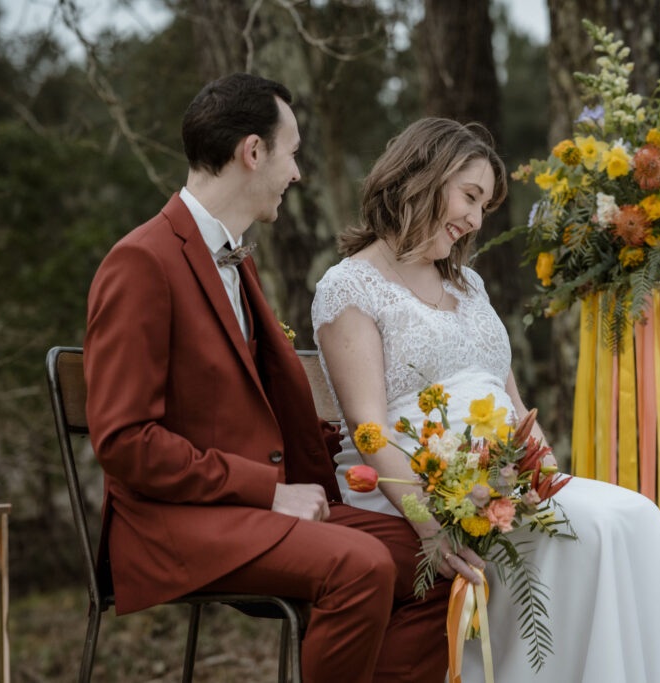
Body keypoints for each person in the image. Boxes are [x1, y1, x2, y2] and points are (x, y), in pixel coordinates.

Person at [84, 74, 452, 683]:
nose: (298, 172)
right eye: (293, 152)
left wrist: (336, 448)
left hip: (244, 509)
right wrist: (269, 491)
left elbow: (241, 405)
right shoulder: (142, 261)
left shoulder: (230, 258)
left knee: (435, 558)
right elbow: (125, 443)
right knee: (360, 566)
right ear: (253, 152)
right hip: (174, 523)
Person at [312, 118, 660, 682]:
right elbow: (368, 428)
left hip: (501, 480)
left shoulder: (469, 285)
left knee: (639, 517)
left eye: (484, 205)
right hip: (414, 485)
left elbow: (513, 403)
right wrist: (431, 526)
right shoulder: (350, 285)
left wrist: (548, 482)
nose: (474, 219)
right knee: (596, 532)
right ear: (421, 175)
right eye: (469, 196)